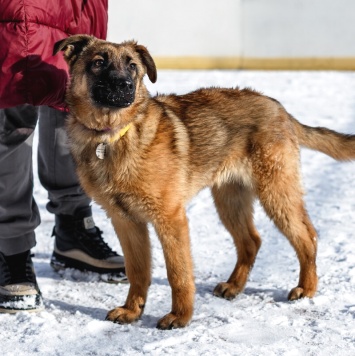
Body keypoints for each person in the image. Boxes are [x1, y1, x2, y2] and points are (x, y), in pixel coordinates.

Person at [0, 0, 126, 313]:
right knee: (12, 114)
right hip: (17, 11)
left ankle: (74, 228)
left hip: (76, 10)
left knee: (72, 110)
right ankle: (11, 250)